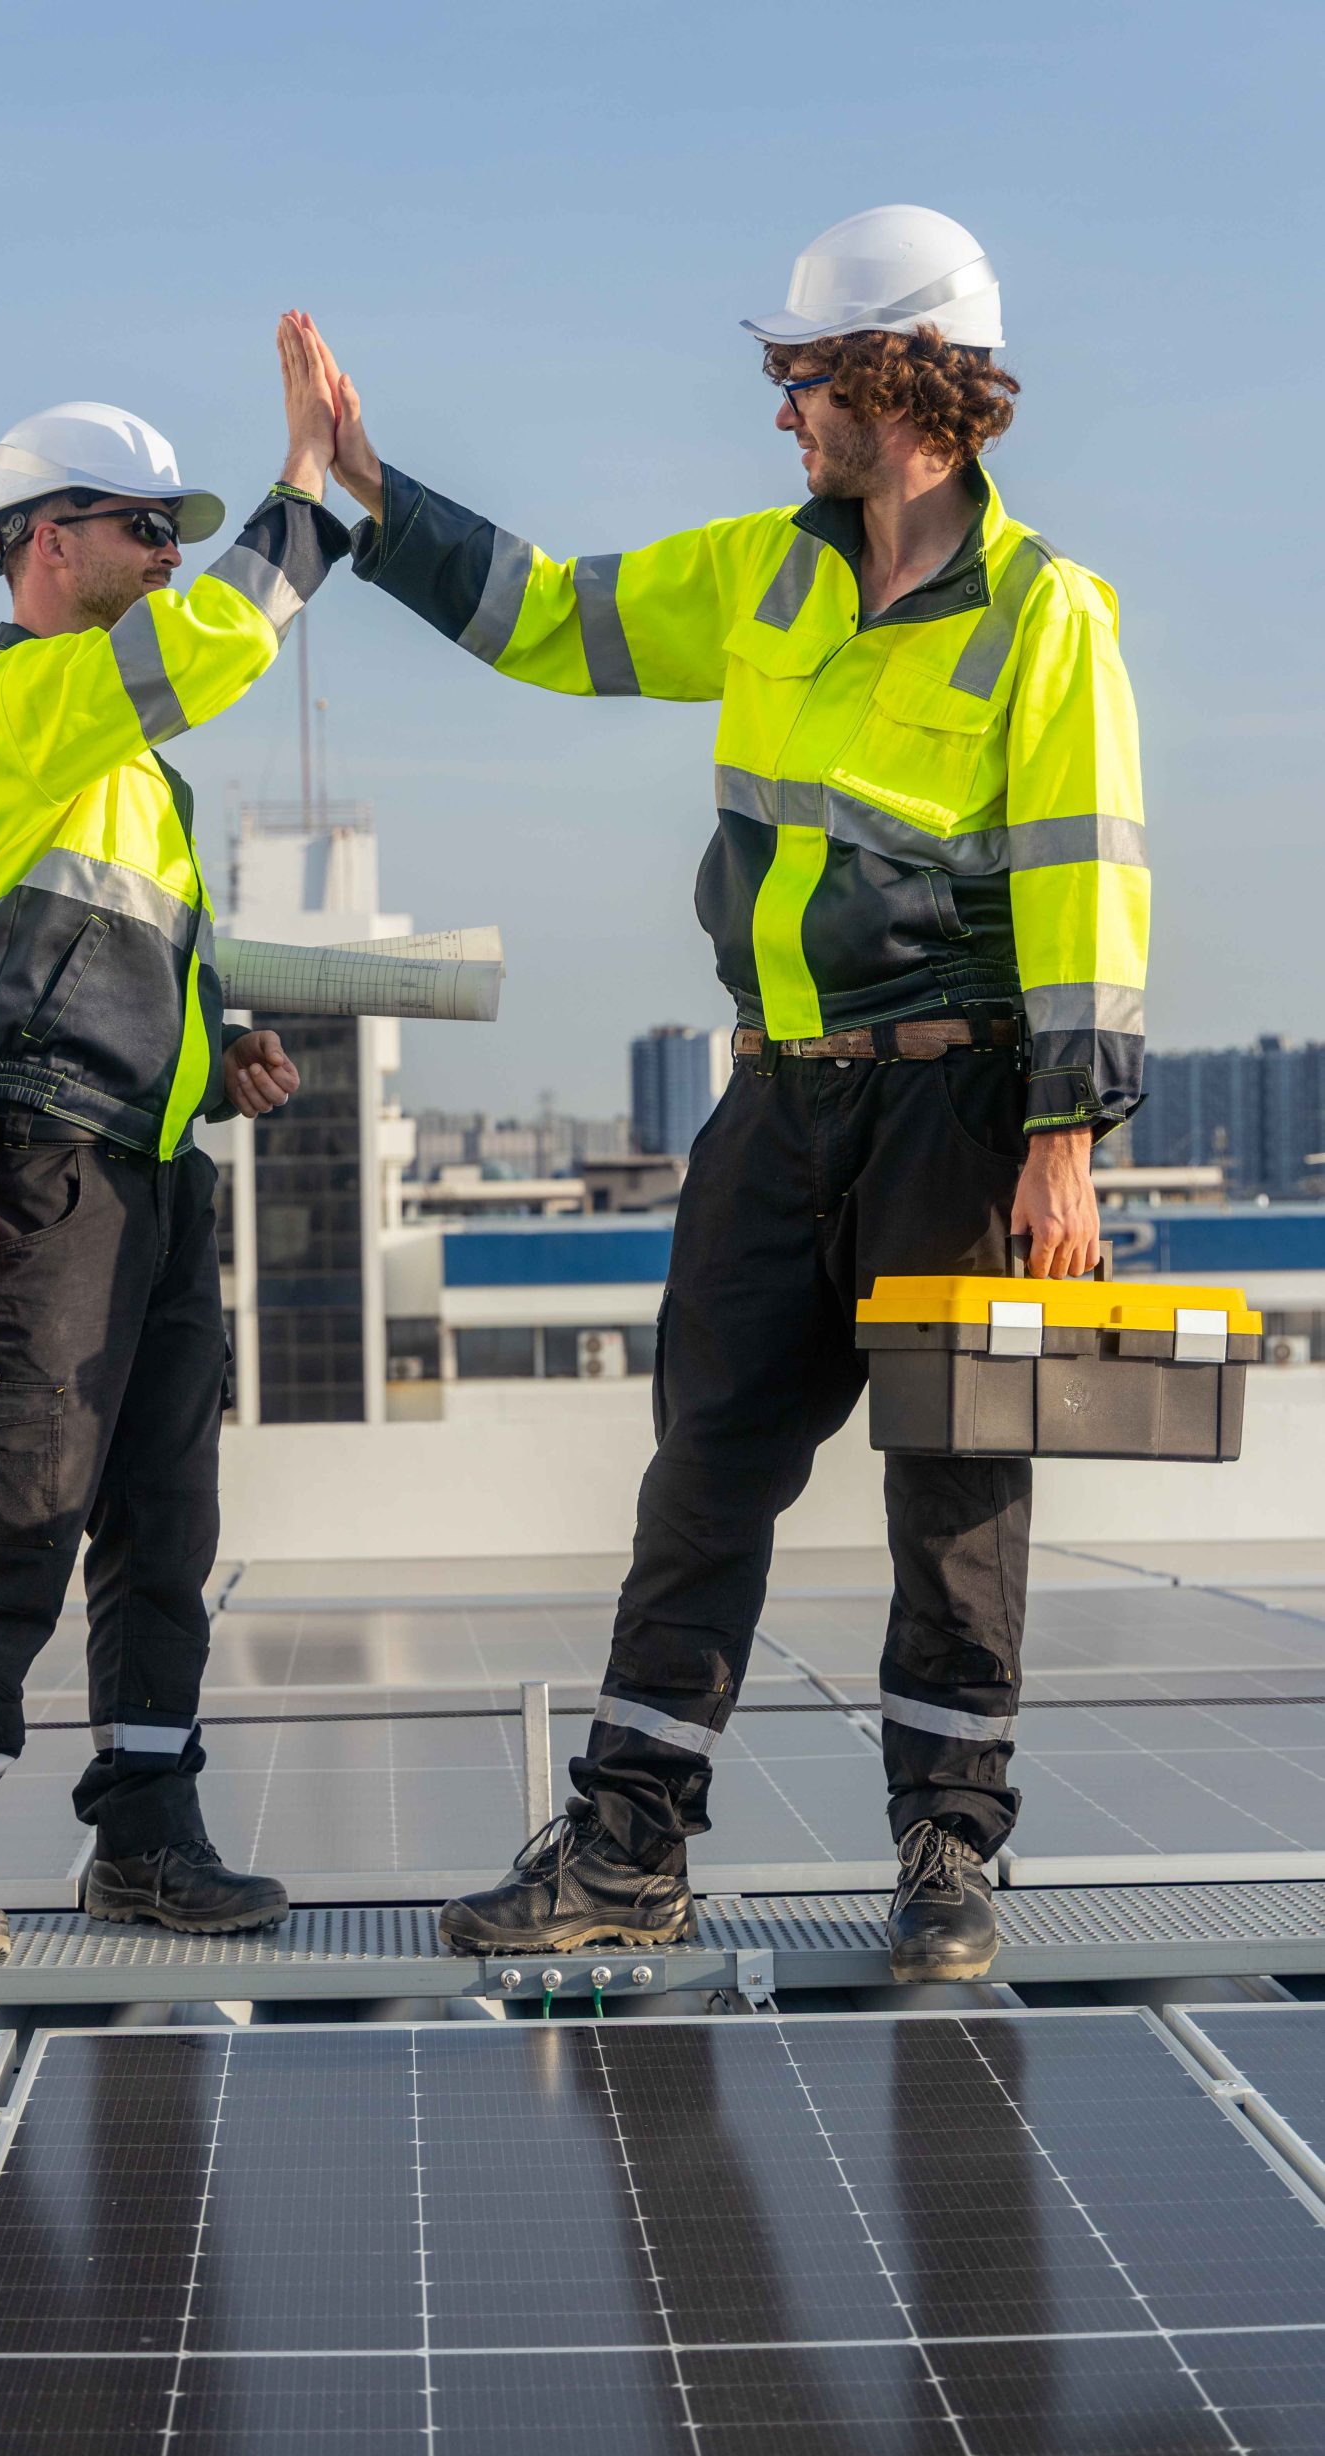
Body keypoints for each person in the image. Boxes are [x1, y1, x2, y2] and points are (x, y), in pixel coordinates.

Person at [303, 205, 1148, 1981]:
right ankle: (629, 1845)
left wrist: (1066, 1142)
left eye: (805, 377)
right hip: (776, 1111)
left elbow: (1087, 879)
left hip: (961, 1112)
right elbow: (547, 616)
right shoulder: (759, 573)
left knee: (959, 1486)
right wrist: (372, 487)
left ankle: (946, 1859)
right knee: (704, 1475)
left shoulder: (1048, 615)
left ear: (902, 379)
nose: (781, 412)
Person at [0, 319, 349, 1960]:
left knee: (162, 1515)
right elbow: (217, 647)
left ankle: (145, 1836)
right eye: (148, 529)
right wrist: (307, 497)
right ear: (46, 542)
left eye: (179, 536)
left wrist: (220, 1060)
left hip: (139, 1169)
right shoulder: (25, 709)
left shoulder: (125, 768)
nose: (166, 558)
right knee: (19, 1492)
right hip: (45, 1171)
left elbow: (109, 965)